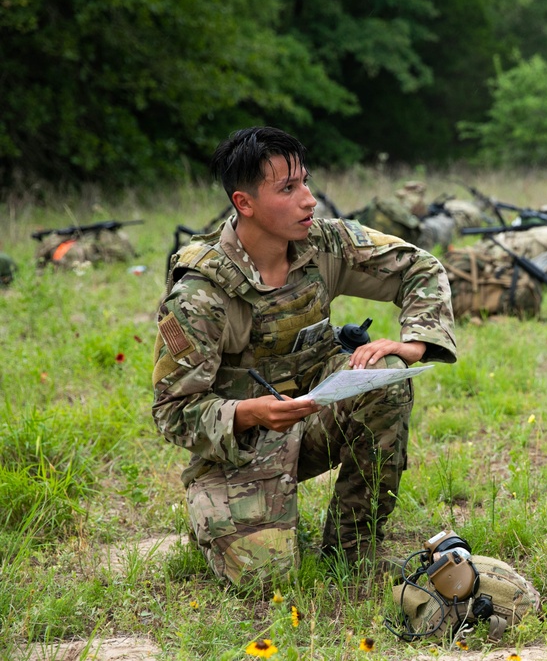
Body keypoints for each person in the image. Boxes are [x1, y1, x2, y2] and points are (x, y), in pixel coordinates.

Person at [151, 126, 457, 588]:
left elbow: (419, 267)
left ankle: (351, 550)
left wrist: (413, 343)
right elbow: (172, 411)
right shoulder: (201, 293)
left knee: (387, 377)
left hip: (312, 420)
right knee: (266, 580)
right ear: (244, 202)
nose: (309, 200)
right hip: (241, 449)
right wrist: (250, 412)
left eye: (306, 182)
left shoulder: (325, 243)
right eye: (288, 188)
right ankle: (216, 513)